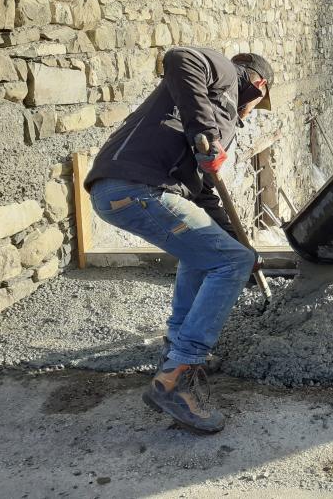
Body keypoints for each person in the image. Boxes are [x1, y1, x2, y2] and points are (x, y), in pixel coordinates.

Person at [84, 47, 275, 434]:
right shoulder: (225, 74)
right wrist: (205, 131)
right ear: (258, 85)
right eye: (259, 101)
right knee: (229, 263)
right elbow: (179, 57)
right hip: (138, 187)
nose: (252, 111)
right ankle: (178, 375)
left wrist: (239, 243)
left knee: (212, 255)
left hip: (133, 189)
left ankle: (175, 350)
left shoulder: (216, 112)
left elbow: (203, 196)